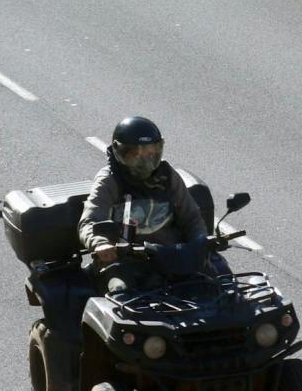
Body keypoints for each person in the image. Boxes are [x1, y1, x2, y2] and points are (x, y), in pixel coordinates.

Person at [78, 117, 207, 295]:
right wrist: (100, 244)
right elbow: (89, 222)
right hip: (125, 262)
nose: (144, 160)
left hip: (171, 257)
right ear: (119, 151)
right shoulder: (109, 180)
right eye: (135, 154)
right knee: (120, 298)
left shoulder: (168, 176)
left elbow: (191, 217)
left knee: (218, 287)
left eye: (150, 152)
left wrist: (199, 241)